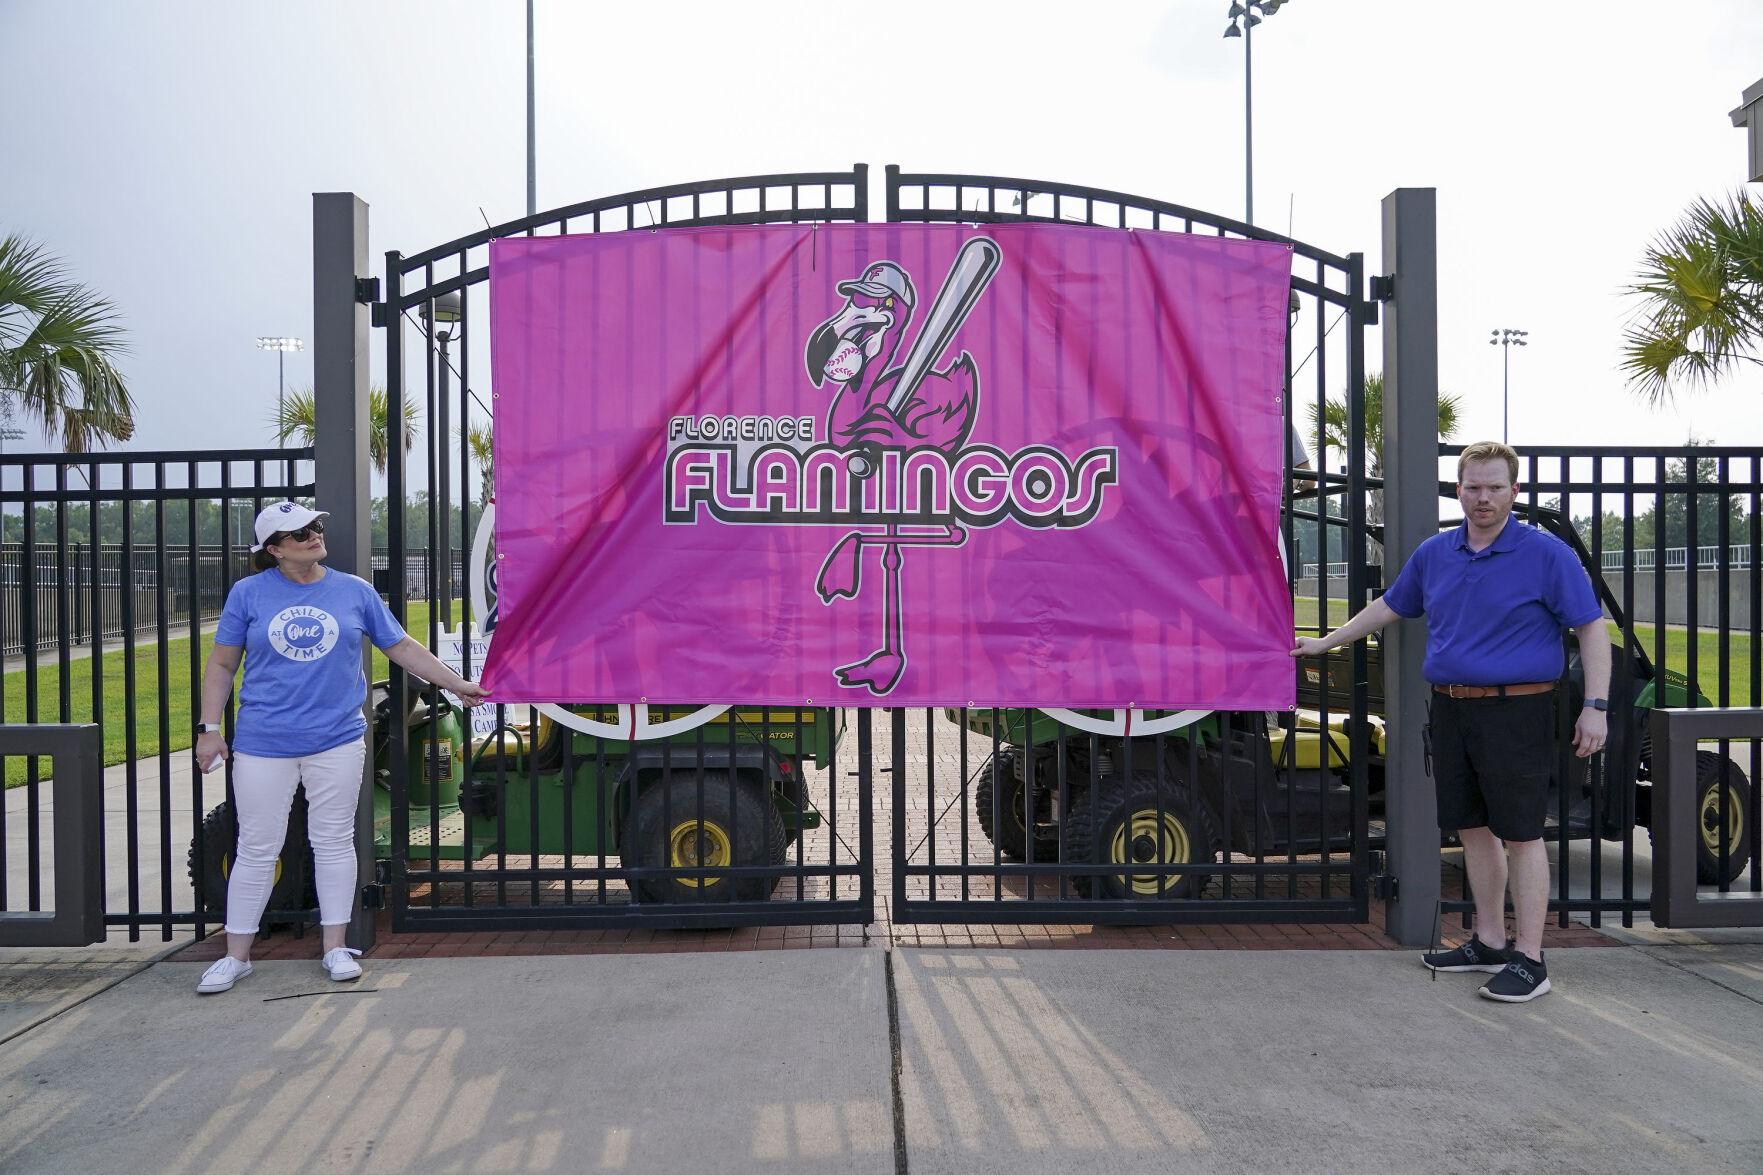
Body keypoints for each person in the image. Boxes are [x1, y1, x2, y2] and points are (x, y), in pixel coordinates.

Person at [1291, 441, 1608, 1002]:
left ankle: (1530, 959)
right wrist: (1327, 642)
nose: (1482, 498)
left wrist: (1596, 706)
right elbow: (1390, 606)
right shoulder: (1437, 553)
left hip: (1518, 710)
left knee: (1522, 833)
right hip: (1453, 708)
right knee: (1472, 829)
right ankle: (1486, 941)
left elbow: (1591, 628)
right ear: (1458, 489)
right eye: (1472, 487)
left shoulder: (1547, 554)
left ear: (1515, 491)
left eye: (1493, 487)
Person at [193, 501, 489, 994]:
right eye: (299, 532)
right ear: (274, 550)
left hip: (337, 740)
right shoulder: (248, 594)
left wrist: (456, 683)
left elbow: (401, 647)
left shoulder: (354, 591)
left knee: (332, 841)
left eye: (315, 526)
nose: (313, 534)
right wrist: (208, 728)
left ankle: (335, 947)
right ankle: (236, 956)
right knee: (257, 846)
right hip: (265, 742)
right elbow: (222, 665)